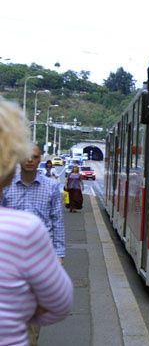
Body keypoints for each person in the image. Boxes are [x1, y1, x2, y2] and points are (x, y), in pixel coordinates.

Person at [0, 97, 73, 346]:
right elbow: (60, 303)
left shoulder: (51, 187)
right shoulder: (23, 230)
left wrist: (59, 252)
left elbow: (57, 220)